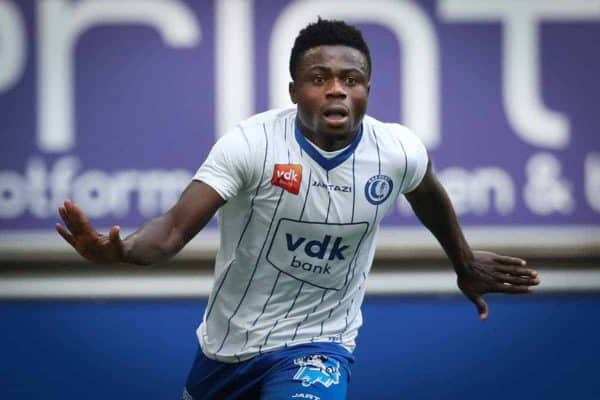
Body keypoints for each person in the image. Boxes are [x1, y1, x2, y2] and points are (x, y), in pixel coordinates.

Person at [56, 18, 540, 400]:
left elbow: (427, 192)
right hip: (226, 348)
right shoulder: (251, 144)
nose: (336, 89)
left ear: (367, 91)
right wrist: (119, 251)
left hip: (320, 344)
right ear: (294, 92)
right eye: (319, 78)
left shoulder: (396, 150)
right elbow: (172, 230)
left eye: (352, 80)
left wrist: (464, 260)